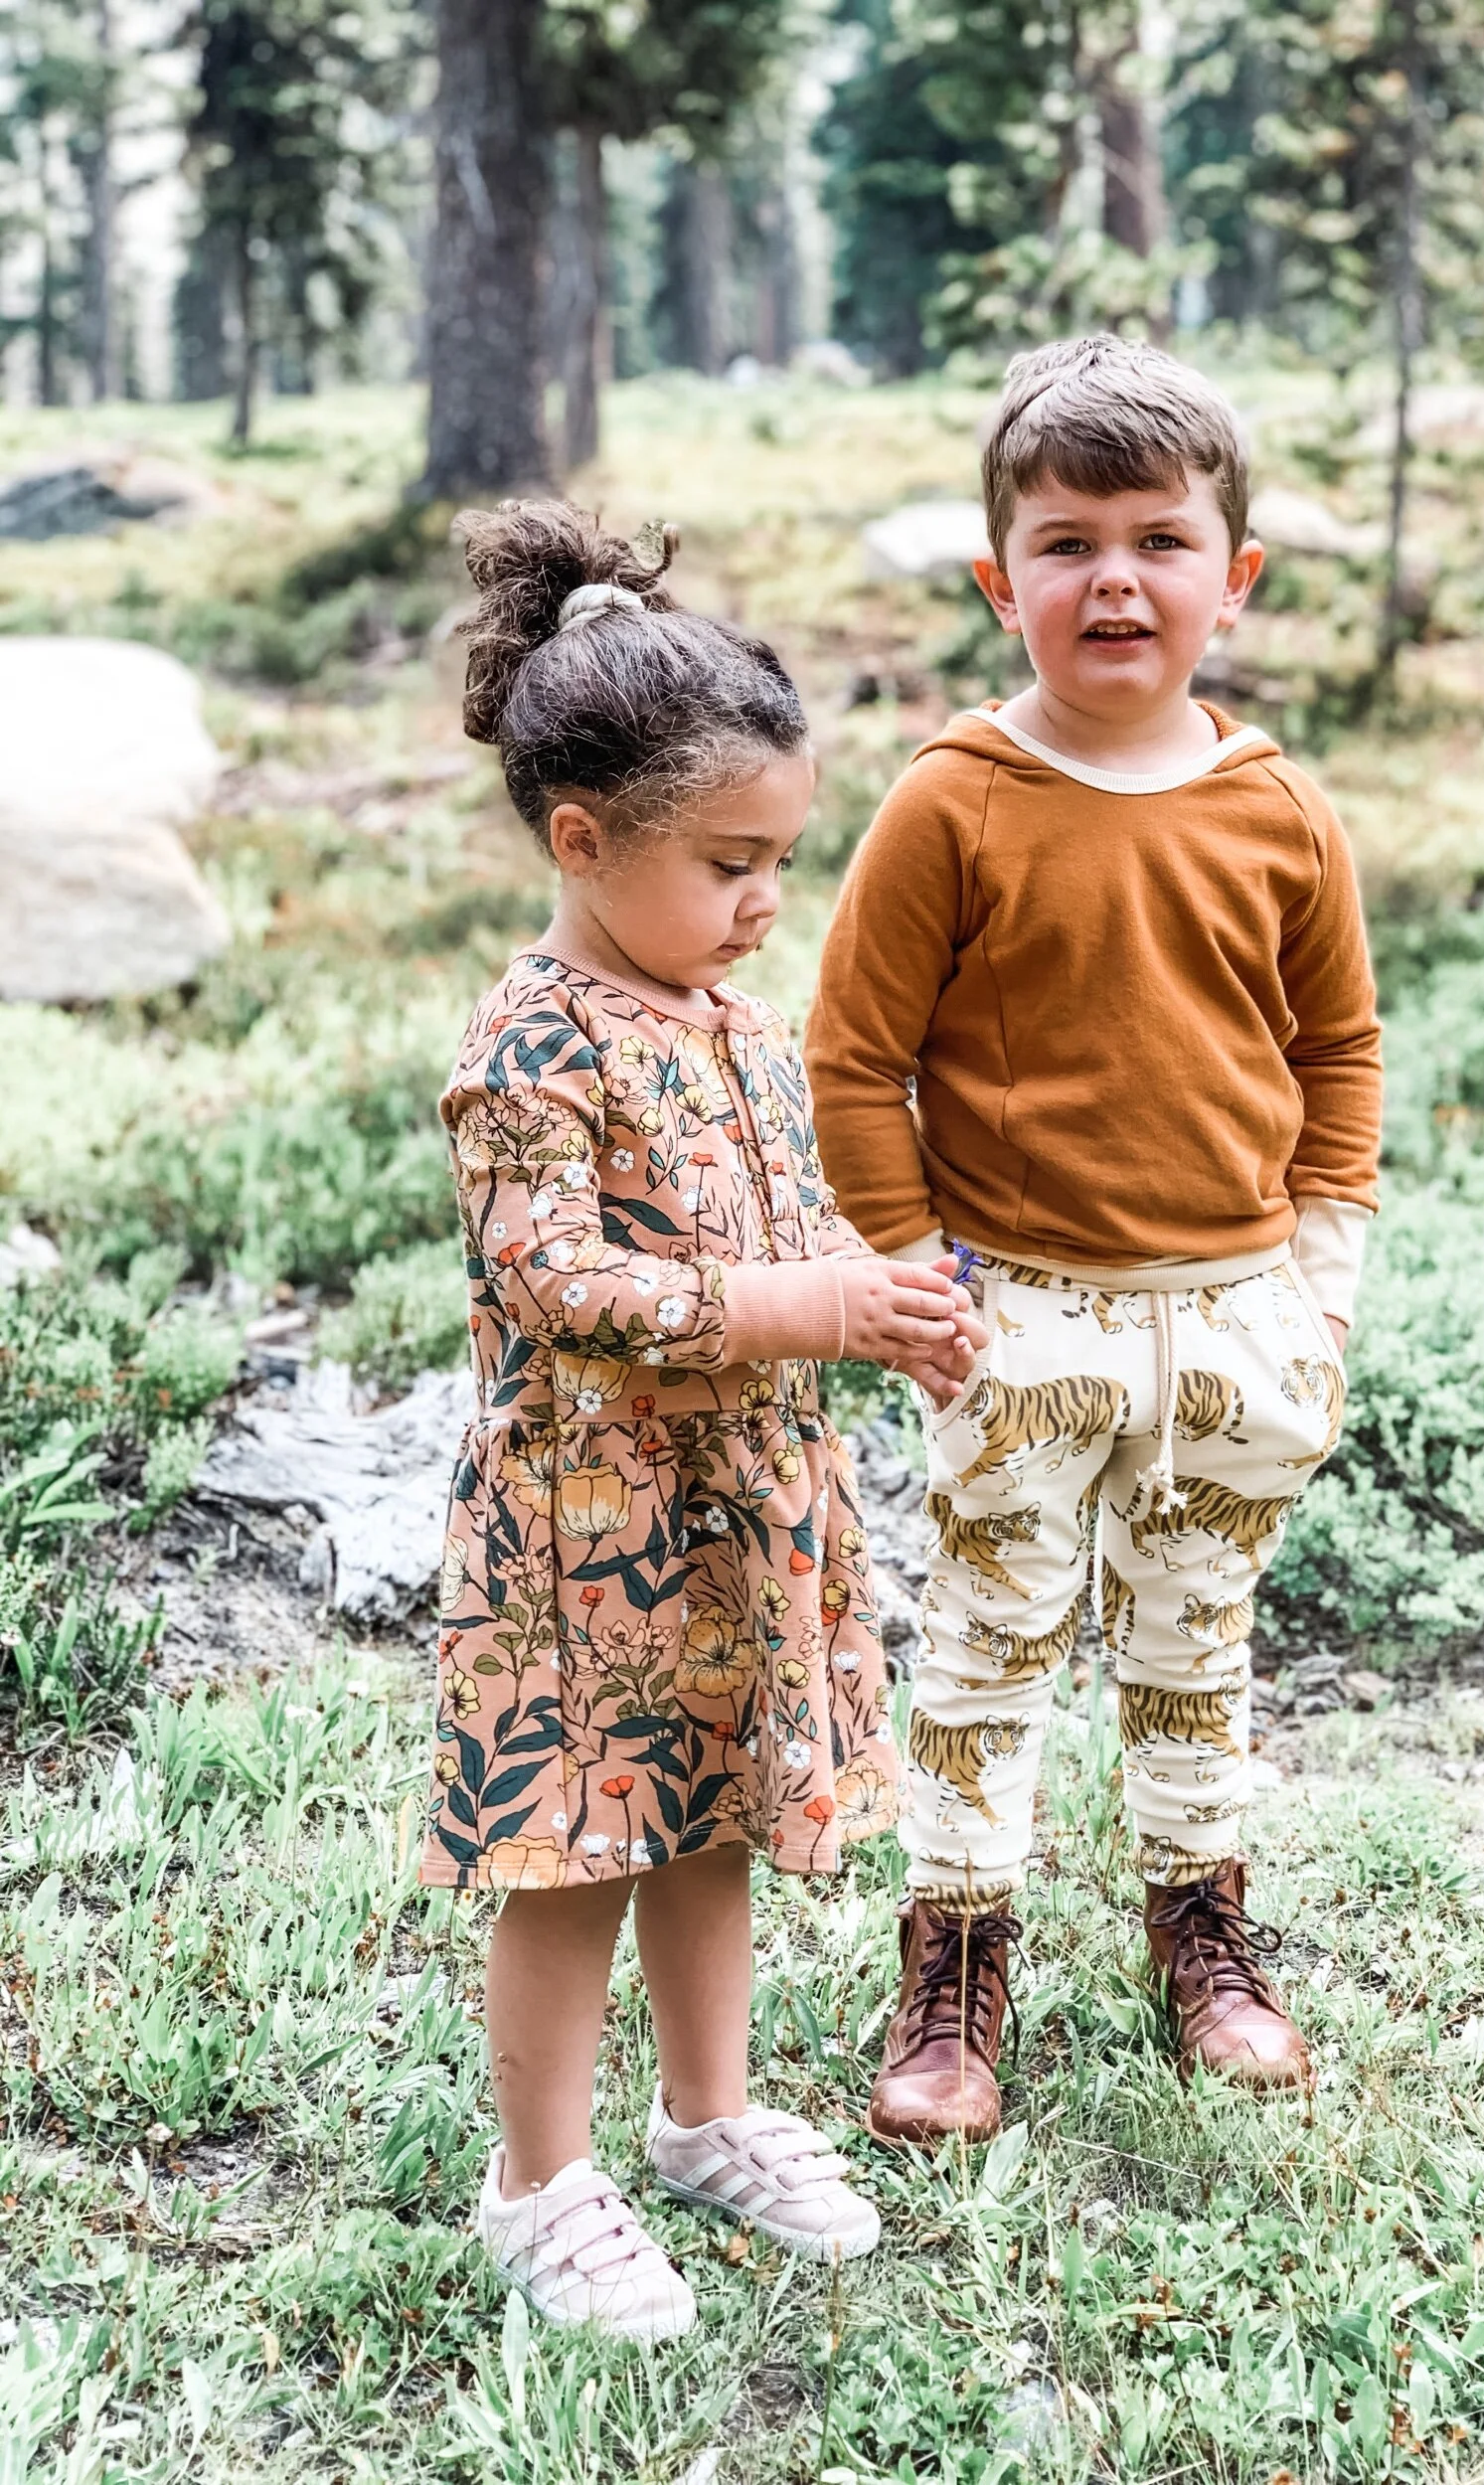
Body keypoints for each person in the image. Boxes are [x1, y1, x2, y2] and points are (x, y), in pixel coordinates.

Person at [805, 336, 1383, 2144]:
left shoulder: (1277, 806)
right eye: (1064, 544)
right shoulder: (953, 801)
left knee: (1193, 1640)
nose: (1112, 577)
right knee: (986, 1644)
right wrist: (917, 1278)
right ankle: (954, 1971)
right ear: (1000, 583)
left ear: (1234, 578)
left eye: (1156, 538)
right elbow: (852, 1058)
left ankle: (1198, 1932)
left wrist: (1321, 1275)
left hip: (1231, 1309)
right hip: (1017, 1317)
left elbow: (1335, 1047)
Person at [420, 499, 983, 2334]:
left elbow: (787, 1213)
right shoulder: (532, 1046)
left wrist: (876, 1301)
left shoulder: (728, 1019)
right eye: (730, 865)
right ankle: (540, 2184)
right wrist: (788, 1305)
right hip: (583, 1535)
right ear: (582, 841)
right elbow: (558, 1290)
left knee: (714, 1812)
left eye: (780, 865)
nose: (763, 905)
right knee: (580, 1844)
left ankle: (707, 2116)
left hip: (737, 1498)